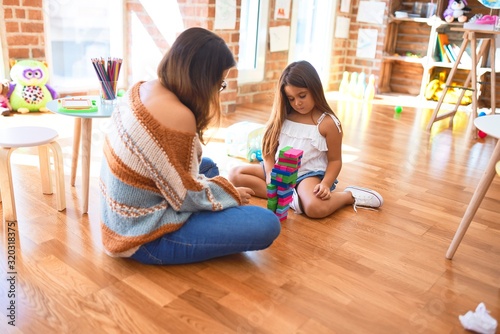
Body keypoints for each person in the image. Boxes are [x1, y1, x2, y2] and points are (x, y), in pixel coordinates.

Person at [99, 27, 281, 265]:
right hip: (141, 236)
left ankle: (213, 205)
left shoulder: (143, 87)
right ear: (203, 81)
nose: (219, 91)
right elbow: (186, 197)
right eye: (220, 83)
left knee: (208, 167)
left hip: (117, 217)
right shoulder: (179, 115)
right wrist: (231, 194)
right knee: (266, 224)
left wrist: (217, 190)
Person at [228, 60, 383, 219]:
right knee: (234, 175)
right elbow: (268, 152)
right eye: (291, 98)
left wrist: (326, 184)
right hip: (279, 170)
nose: (297, 103)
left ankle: (349, 196)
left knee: (315, 208)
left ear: (314, 89)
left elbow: (335, 160)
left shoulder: (327, 123)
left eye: (302, 96)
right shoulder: (283, 116)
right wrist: (269, 173)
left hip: (306, 174)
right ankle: (289, 197)